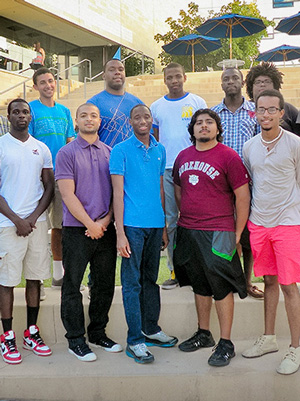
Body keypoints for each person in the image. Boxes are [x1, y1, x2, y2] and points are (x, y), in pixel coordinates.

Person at [173, 108, 250, 367]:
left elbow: (242, 196)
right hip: (189, 229)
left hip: (220, 230)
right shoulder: (183, 156)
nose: (203, 126)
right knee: (199, 284)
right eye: (198, 123)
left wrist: (237, 232)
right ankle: (203, 333)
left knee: (221, 285)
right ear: (192, 129)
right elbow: (179, 190)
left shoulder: (228, 156)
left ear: (218, 128)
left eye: (209, 122)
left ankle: (226, 342)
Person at [110, 104, 178, 364]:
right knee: (132, 283)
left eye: (146, 116)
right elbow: (117, 193)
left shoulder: (160, 150)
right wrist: (120, 233)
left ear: (152, 120)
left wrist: (162, 226)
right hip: (132, 226)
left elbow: (160, 189)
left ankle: (151, 329)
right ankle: (135, 340)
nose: (142, 120)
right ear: (130, 122)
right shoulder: (120, 151)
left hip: (154, 225)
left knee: (151, 280)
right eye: (137, 117)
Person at [55, 103, 121, 362]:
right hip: (76, 230)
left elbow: (117, 193)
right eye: (84, 115)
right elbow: (67, 194)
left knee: (104, 285)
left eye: (94, 115)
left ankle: (97, 332)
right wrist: (90, 224)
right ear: (76, 121)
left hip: (105, 229)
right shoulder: (66, 153)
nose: (89, 119)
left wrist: (104, 221)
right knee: (72, 286)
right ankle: (75, 340)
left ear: (99, 122)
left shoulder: (110, 152)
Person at [242, 89, 300, 375]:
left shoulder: (295, 144)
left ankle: (296, 348)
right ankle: (269, 339)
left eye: (271, 109)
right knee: (269, 281)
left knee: (290, 286)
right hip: (259, 223)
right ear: (255, 113)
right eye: (260, 109)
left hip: (288, 223)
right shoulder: (249, 147)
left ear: (281, 112)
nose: (265, 114)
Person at [0, 98, 54, 364]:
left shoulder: (41, 148)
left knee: (35, 278)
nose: (21, 115)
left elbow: (49, 187)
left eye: (25, 112)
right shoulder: (1, 146)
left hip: (36, 223)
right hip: (8, 224)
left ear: (31, 117)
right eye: (16, 112)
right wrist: (16, 219)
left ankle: (31, 332)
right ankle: (7, 336)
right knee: (7, 281)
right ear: (9, 116)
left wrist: (32, 218)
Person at [150, 62, 207, 290]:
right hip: (167, 171)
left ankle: (202, 269)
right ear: (164, 80)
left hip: (194, 168)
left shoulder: (197, 102)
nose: (174, 81)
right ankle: (176, 270)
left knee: (198, 219)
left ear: (185, 77)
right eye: (169, 77)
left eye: (177, 76)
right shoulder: (156, 107)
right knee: (171, 221)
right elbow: (154, 140)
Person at [212, 67, 263, 300]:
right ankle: (228, 279)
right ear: (221, 84)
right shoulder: (213, 113)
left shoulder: (254, 111)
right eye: (226, 79)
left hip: (249, 182)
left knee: (247, 235)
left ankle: (248, 280)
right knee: (224, 232)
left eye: (234, 78)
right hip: (220, 183)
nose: (230, 81)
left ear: (243, 82)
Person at [29, 67, 75, 293]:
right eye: (43, 82)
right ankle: (35, 281)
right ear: (35, 86)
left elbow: (70, 143)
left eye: (51, 81)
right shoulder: (31, 110)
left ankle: (58, 275)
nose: (48, 85)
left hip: (60, 177)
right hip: (36, 177)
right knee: (36, 226)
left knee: (59, 225)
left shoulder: (65, 111)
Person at [87, 59, 143, 147]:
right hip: (105, 159)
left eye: (121, 69)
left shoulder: (138, 104)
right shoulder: (93, 104)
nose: (117, 72)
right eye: (112, 70)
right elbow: (87, 138)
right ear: (104, 76)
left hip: (132, 159)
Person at [245, 61, 300, 136]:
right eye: (258, 82)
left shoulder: (288, 109)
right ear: (251, 87)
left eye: (267, 81)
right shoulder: (245, 109)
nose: (262, 84)